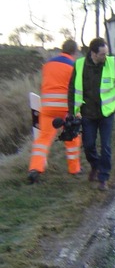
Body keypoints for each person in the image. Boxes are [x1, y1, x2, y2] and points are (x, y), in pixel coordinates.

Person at [68, 37, 115, 191]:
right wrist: (71, 112)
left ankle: (104, 177)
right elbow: (72, 90)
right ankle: (95, 166)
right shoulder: (80, 65)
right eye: (102, 54)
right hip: (87, 114)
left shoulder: (112, 65)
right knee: (88, 145)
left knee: (106, 147)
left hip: (106, 113)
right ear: (93, 54)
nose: (105, 56)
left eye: (106, 53)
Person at [28, 39, 81, 184]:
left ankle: (35, 168)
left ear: (62, 49)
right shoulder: (74, 66)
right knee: (72, 137)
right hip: (65, 109)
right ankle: (74, 169)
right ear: (74, 52)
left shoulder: (47, 65)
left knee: (42, 139)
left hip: (47, 108)